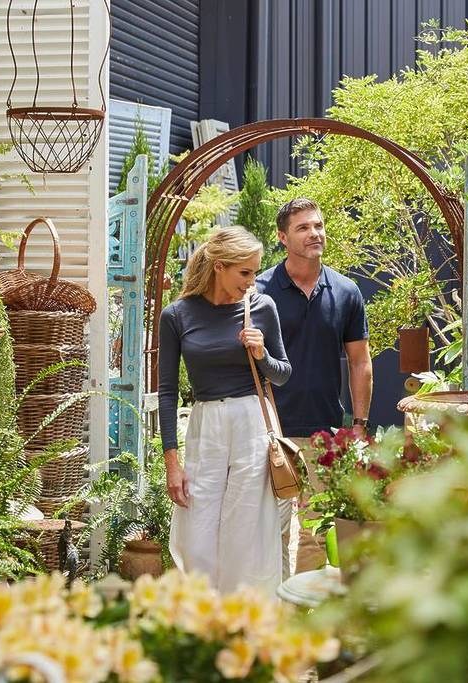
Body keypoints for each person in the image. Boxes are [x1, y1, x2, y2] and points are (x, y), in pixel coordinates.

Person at [158, 226, 291, 593]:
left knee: (248, 529)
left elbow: (283, 375)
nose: (252, 282)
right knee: (196, 529)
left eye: (254, 272)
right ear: (218, 266)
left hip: (252, 421)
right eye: (244, 272)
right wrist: (172, 462)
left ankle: (248, 623)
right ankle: (202, 620)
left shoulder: (262, 307)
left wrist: (262, 354)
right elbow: (167, 391)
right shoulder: (177, 315)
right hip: (207, 424)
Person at [256, 198, 373, 575]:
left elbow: (360, 362)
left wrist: (358, 425)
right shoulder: (259, 291)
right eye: (303, 228)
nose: (314, 233)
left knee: (316, 531)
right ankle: (272, 609)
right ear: (282, 238)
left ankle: (302, 614)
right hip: (269, 431)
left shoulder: (346, 291)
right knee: (270, 529)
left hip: (325, 432)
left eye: (318, 226)